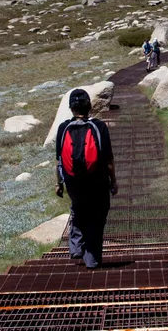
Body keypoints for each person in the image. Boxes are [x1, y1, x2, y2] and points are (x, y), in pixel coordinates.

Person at [55, 89, 117, 269]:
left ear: (71, 108)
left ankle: (76, 246)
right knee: (97, 216)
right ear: (90, 106)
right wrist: (113, 181)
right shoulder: (99, 126)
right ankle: (92, 259)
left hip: (73, 181)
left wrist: (59, 184)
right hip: (97, 180)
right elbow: (109, 160)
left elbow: (59, 161)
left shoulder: (63, 128)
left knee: (78, 207)